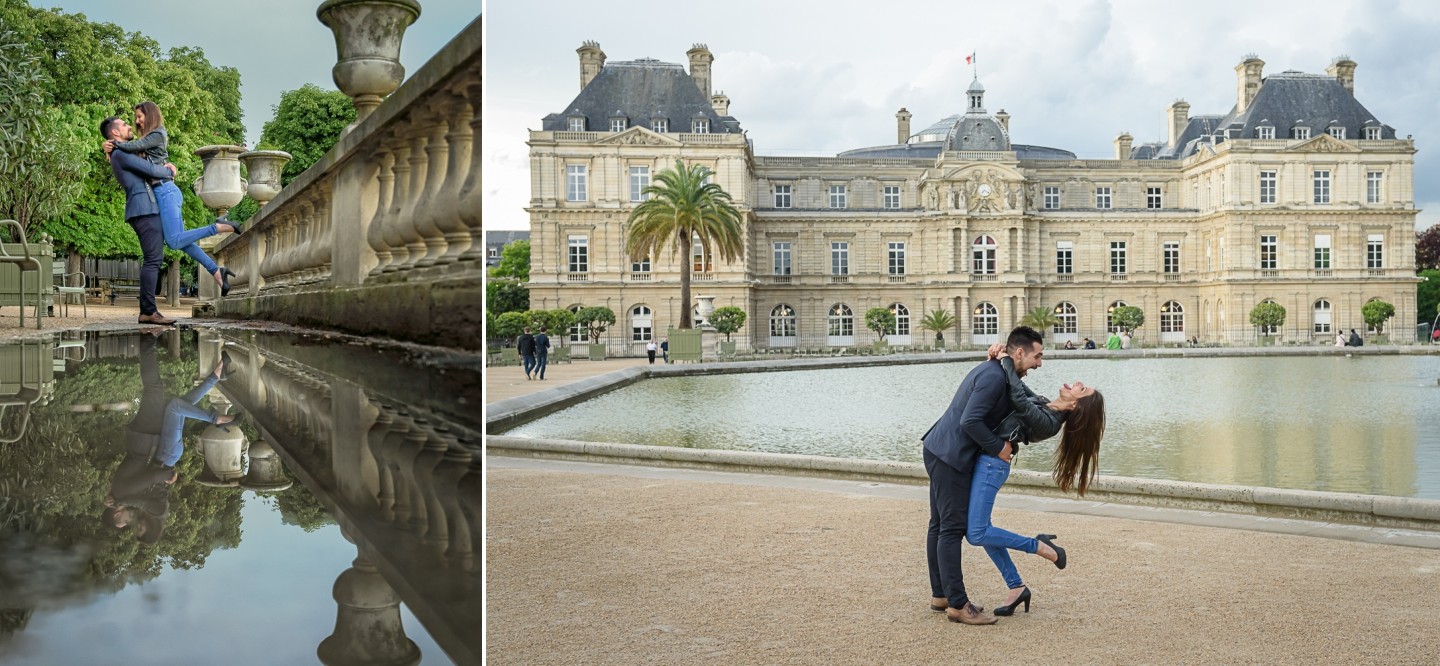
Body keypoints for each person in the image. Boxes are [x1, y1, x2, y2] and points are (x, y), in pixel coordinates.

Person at [965, 347, 1106, 616]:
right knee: (983, 530)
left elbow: (1017, 398)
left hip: (992, 466)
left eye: (1082, 388)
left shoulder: (1050, 422)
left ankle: (1040, 546)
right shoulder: (1046, 405)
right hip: (986, 461)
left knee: (977, 533)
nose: (1076, 383)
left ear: (1076, 405)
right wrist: (998, 359)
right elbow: (1018, 386)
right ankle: (1016, 587)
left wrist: (1006, 360)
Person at [920, 326, 1045, 626]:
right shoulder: (993, 378)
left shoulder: (1000, 372)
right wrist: (999, 446)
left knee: (939, 525)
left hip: (939, 448)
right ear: (1019, 353)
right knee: (951, 529)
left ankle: (942, 595)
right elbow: (970, 420)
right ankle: (959, 605)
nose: (1040, 363)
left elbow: (1026, 399)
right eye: (1037, 356)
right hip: (952, 456)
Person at [104, 331, 232, 543]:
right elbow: (148, 483)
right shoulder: (130, 500)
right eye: (137, 528)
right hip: (146, 441)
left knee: (156, 391)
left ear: (117, 513)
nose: (131, 523)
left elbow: (147, 480)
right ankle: (217, 376)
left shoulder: (122, 496)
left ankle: (148, 339)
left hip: (145, 439)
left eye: (125, 523)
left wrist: (166, 477)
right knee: (178, 402)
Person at [104, 101, 241, 295]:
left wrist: (113, 144)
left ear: (150, 115)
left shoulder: (157, 134)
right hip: (161, 193)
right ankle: (217, 271)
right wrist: (107, 147)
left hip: (166, 191)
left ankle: (218, 226)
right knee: (182, 242)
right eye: (135, 118)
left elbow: (134, 147)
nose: (137, 121)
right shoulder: (147, 141)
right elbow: (131, 157)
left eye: (140, 117)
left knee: (174, 241)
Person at [102, 115, 179, 326]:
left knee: (154, 258)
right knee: (153, 260)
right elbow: (150, 170)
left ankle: (150, 310)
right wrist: (169, 171)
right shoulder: (120, 153)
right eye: (125, 125)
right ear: (115, 132)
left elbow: (148, 162)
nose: (130, 126)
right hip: (143, 210)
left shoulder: (119, 152)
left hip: (145, 208)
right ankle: (147, 311)